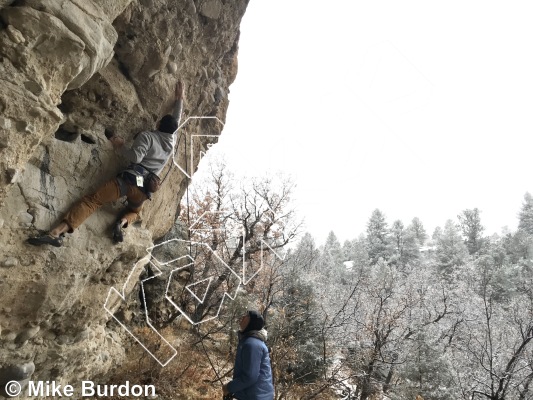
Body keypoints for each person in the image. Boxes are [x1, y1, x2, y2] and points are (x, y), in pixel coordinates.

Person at [27, 81, 184, 247]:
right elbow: (176, 120)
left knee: (93, 201)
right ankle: (122, 222)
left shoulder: (148, 137)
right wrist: (179, 100)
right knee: (135, 212)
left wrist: (120, 146)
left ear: (158, 124)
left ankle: (56, 233)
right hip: (144, 190)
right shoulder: (171, 142)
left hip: (128, 181)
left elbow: (136, 157)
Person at [223, 310, 274, 400]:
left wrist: (229, 387)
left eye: (246, 316)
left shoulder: (252, 344)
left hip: (255, 396)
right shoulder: (250, 341)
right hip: (253, 395)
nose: (242, 317)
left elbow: (250, 377)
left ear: (251, 322)